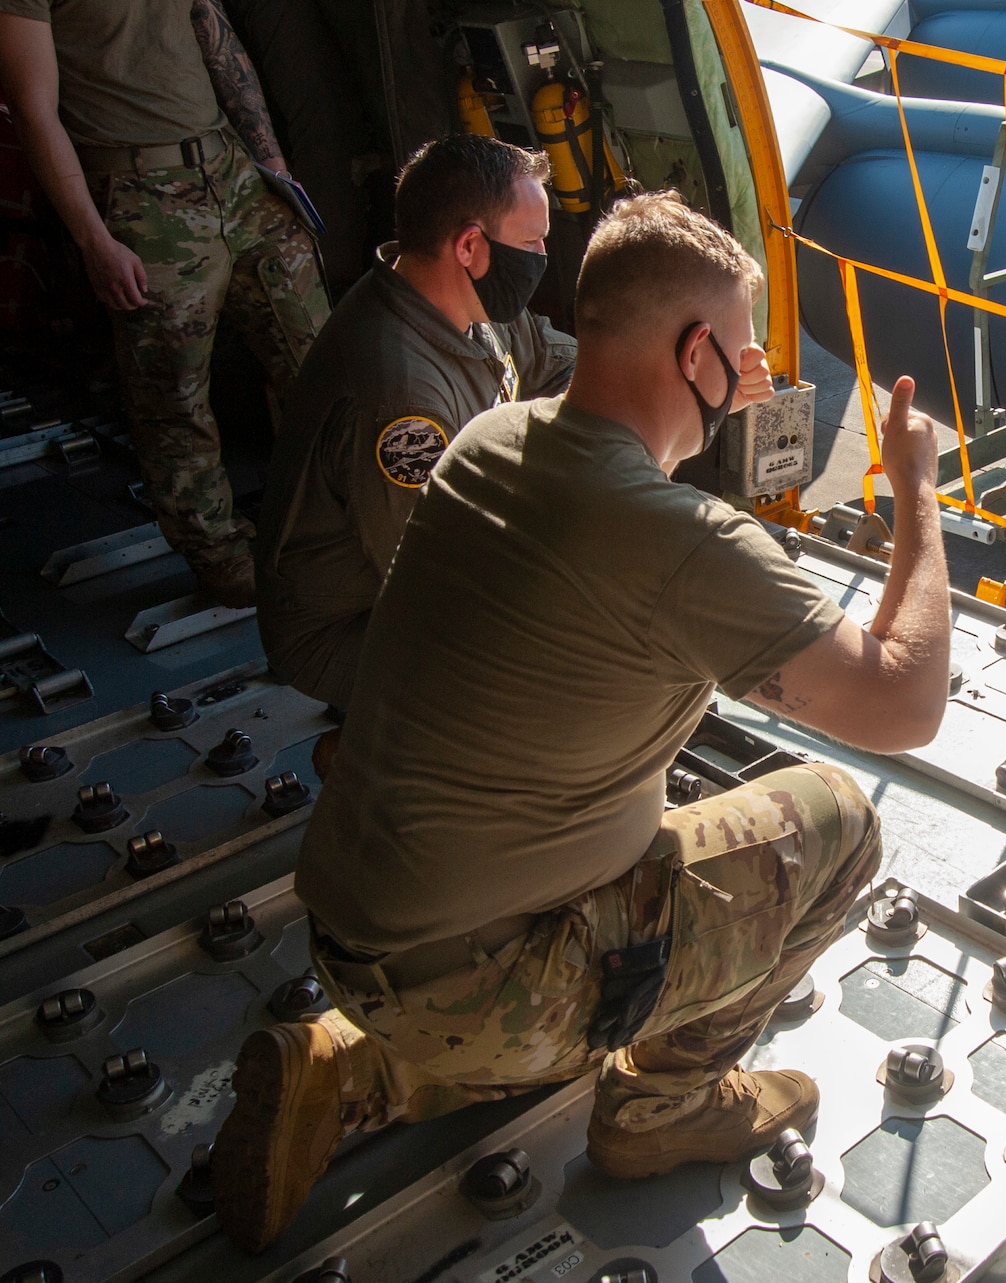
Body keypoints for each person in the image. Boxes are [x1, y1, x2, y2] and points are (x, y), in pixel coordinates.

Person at [210, 191, 952, 1254]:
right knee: (836, 821)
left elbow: (614, 492)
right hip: (483, 968)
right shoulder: (685, 547)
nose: (745, 376)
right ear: (697, 350)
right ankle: (662, 1108)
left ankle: (351, 1064)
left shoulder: (487, 438)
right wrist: (916, 491)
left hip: (351, 933)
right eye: (735, 354)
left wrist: (696, 409)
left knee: (617, 893)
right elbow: (904, 702)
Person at [0, 0, 330, 607]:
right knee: (174, 395)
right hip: (140, 189)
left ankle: (332, 525)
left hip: (230, 168)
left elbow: (219, 41)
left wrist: (272, 165)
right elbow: (33, 110)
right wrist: (93, 238)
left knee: (319, 355)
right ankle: (222, 559)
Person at [255, 135, 575, 732]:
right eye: (531, 242)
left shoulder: (470, 306)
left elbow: (561, 363)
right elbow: (434, 581)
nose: (541, 255)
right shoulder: (401, 397)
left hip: (412, 571)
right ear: (471, 246)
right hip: (345, 628)